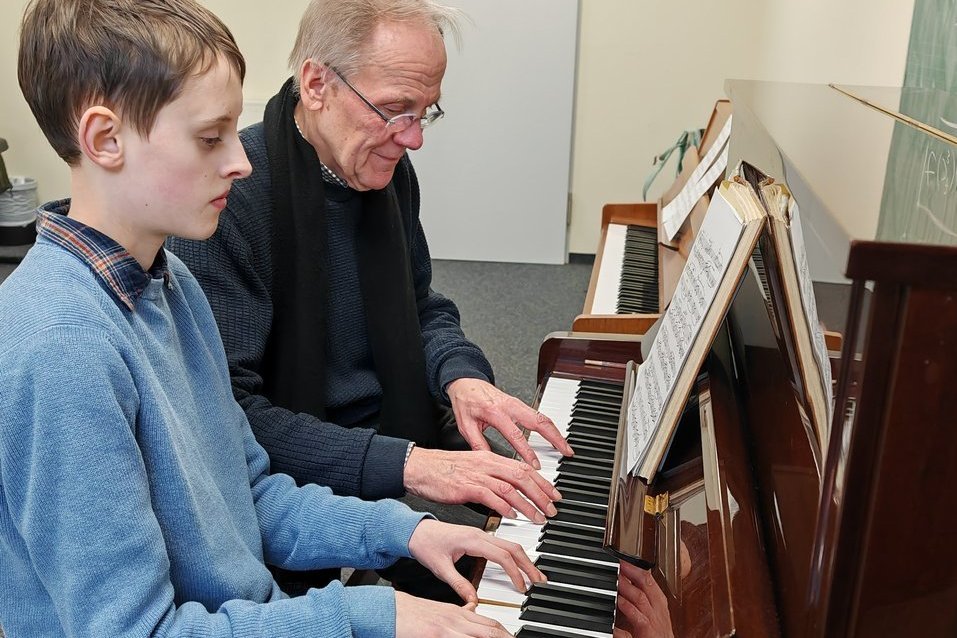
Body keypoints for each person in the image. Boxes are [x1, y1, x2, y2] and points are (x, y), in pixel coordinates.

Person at [0, 1, 542, 635]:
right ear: (104, 139)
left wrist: (407, 529)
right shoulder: (61, 351)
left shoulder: (171, 289)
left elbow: (246, 494)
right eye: (210, 138)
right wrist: (371, 614)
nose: (242, 160)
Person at [167, 0, 574, 597]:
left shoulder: (381, 169)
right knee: (501, 588)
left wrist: (463, 378)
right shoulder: (231, 198)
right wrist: (412, 464)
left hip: (394, 431)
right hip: (299, 474)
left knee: (549, 540)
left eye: (424, 113)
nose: (412, 139)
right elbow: (232, 420)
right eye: (392, 111)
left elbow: (422, 307)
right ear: (316, 84)